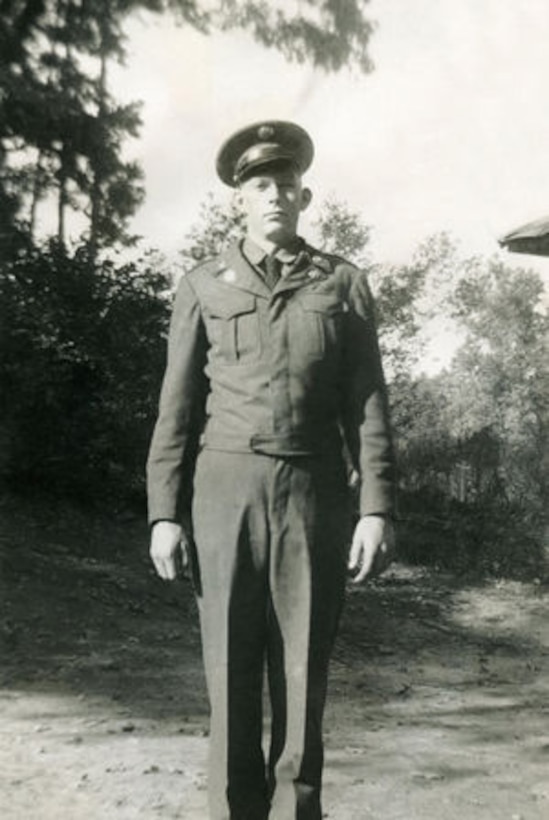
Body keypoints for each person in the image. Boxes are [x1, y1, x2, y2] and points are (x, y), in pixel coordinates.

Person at [146, 120, 396, 820]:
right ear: (239, 201)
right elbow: (177, 407)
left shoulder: (342, 285)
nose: (275, 195)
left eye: (286, 184)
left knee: (301, 673)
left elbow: (368, 405)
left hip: (313, 494)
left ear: (304, 196)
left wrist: (375, 506)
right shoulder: (202, 284)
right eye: (260, 185)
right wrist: (164, 512)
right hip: (223, 492)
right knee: (228, 671)